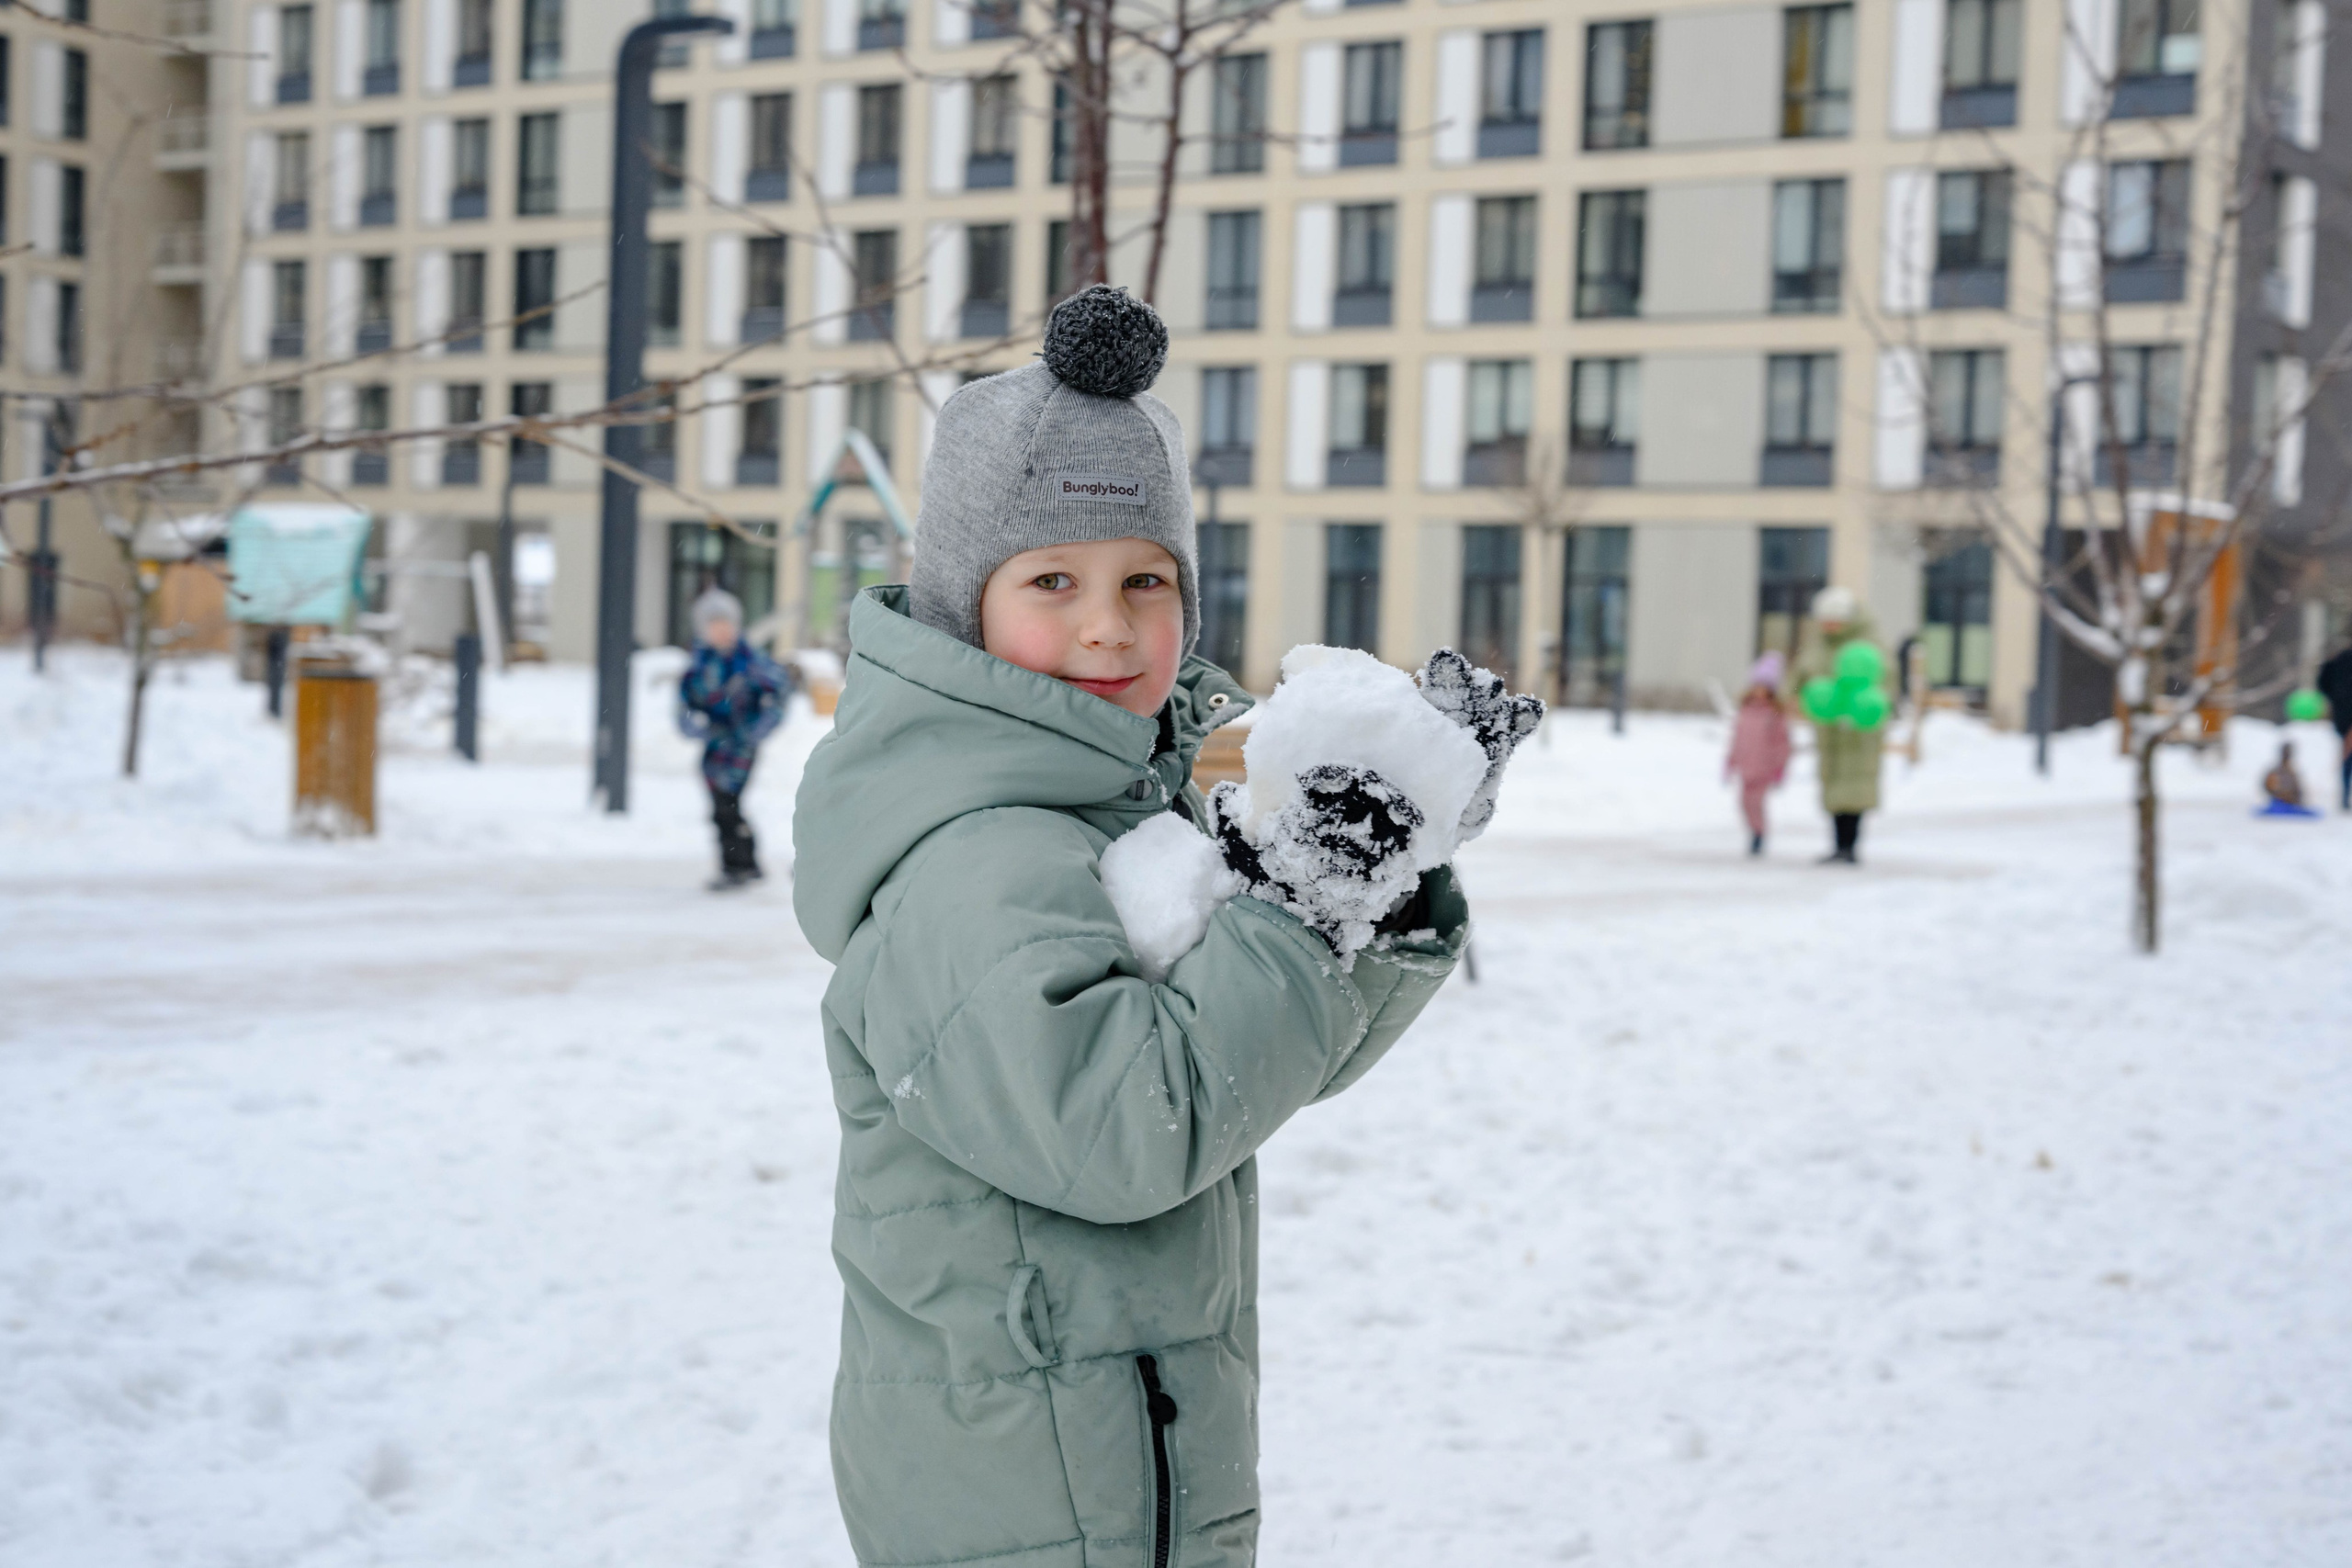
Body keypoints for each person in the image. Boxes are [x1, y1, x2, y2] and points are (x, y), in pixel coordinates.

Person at [790, 287, 1540, 1568]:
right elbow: (1129, 1128)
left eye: (1149, 576)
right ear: (967, 602)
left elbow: (1260, 1063)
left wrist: (1381, 858)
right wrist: (1305, 888)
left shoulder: (1130, 798)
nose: (1110, 622)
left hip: (1123, 1455)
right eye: (1052, 581)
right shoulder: (973, 854)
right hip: (1023, 1493)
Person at [675, 587, 788, 889]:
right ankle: (740, 863)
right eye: (714, 625)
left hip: (742, 745)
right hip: (714, 746)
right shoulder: (699, 666)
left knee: (728, 803)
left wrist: (759, 728)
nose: (722, 631)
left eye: (726, 623)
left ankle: (740, 864)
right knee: (720, 806)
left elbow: (777, 696)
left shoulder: (752, 662)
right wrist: (694, 726)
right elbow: (685, 704)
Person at [1790, 584, 1886, 864]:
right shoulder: (1817, 643)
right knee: (1833, 786)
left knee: (1855, 787)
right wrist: (1792, 696)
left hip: (1860, 730)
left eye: (1835, 621)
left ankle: (1850, 846)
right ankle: (1837, 844)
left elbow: (1885, 679)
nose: (1830, 626)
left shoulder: (1870, 643)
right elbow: (1801, 674)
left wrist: (1867, 707)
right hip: (1830, 727)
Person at [1725, 650, 1792, 855]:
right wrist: (1731, 761)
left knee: (1757, 803)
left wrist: (1780, 767)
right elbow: (1737, 740)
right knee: (1744, 802)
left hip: (1764, 768)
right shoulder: (1745, 712)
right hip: (1746, 766)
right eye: (1756, 686)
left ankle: (1759, 834)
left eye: (1763, 687)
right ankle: (1753, 830)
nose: (1758, 691)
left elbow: (1783, 744)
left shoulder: (1774, 715)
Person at [2317, 641, 2352, 810]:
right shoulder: (2340, 659)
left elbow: (2323, 682)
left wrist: (2336, 698)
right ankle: (2345, 795)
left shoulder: (2338, 659)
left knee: (2347, 757)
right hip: (2344, 714)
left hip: (2343, 715)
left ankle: (2345, 794)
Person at [2259, 739, 2319, 817]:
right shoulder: (2275, 772)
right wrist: (2280, 795)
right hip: (2278, 804)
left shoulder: (2293, 773)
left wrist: (2294, 798)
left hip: (2292, 805)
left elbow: (2299, 791)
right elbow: (2267, 787)